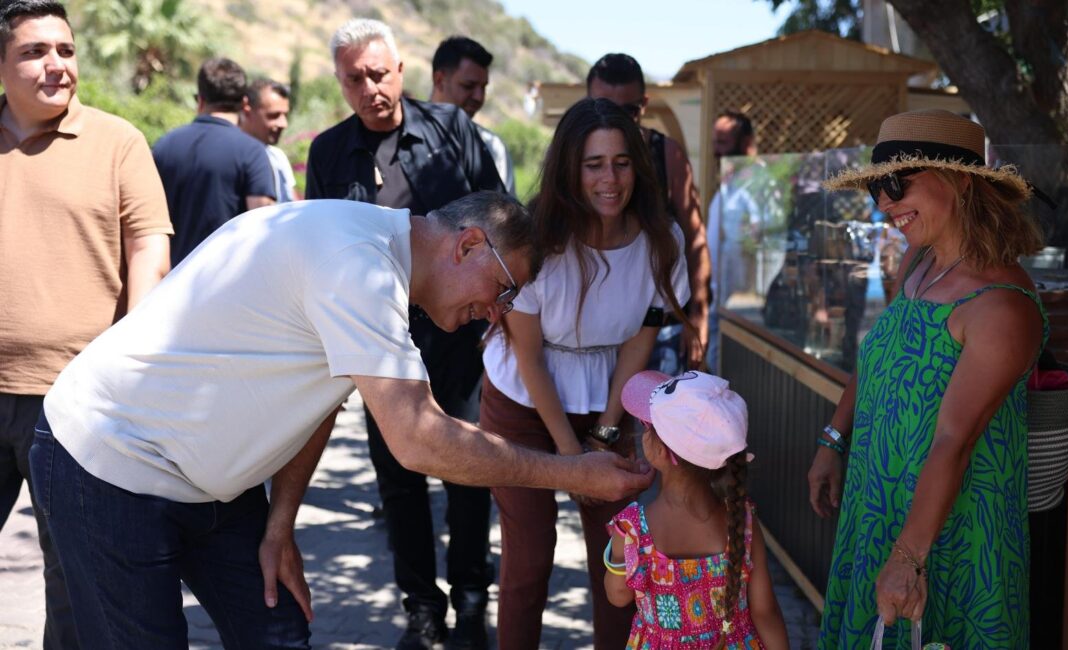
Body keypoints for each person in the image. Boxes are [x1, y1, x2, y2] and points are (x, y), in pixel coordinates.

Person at [30, 191, 654, 650]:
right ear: (468, 243)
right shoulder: (358, 263)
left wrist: (281, 523)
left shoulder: (381, 259)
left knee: (280, 636)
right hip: (109, 462)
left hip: (205, 482)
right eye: (503, 288)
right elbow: (419, 441)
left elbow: (324, 393)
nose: (496, 313)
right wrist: (576, 474)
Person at [808, 109, 1047, 648]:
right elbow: (877, 355)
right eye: (876, 188)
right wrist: (833, 439)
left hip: (948, 535)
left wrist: (907, 559)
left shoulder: (1001, 306)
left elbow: (954, 441)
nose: (885, 204)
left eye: (896, 184)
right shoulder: (919, 262)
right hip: (878, 507)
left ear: (960, 179)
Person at [306, 18, 506, 649]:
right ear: (341, 82)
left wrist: (497, 317)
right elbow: (318, 250)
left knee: (471, 470)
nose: (370, 87)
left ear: (400, 70)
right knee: (398, 479)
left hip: (461, 343)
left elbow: (499, 225)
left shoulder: (453, 131)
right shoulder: (329, 152)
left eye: (378, 73)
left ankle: (472, 601)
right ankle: (423, 610)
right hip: (381, 344)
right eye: (354, 78)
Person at [479, 97, 690, 650]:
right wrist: (570, 455)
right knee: (528, 562)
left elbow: (639, 343)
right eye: (593, 163)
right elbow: (527, 357)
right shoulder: (535, 242)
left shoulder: (660, 242)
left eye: (621, 162)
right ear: (570, 167)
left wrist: (603, 430)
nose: (609, 179)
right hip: (524, 403)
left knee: (618, 563)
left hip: (609, 399)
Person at [0, 1, 173, 647]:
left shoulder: (117, 141)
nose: (56, 65)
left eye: (66, 51)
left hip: (73, 400)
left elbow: (149, 250)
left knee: (75, 582)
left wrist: (129, 369)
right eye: (35, 52)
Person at [607, 369, 788, 649]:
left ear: (663, 452)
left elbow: (617, 595)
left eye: (648, 425)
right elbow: (766, 612)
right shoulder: (744, 522)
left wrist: (614, 554)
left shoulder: (632, 528)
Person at [586, 53, 710, 373]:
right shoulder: (573, 155)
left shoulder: (666, 153)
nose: (615, 118)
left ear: (643, 104)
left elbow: (694, 237)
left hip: (659, 326)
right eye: (604, 106)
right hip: (589, 333)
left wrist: (698, 314)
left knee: (657, 422)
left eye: (626, 110)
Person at [153, 56, 275, 266]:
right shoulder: (253, 153)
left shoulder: (163, 146)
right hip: (226, 286)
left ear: (200, 100)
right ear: (244, 103)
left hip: (170, 284)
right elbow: (263, 230)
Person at [706, 110, 761, 370]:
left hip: (743, 307)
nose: (716, 151)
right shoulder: (729, 185)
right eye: (715, 142)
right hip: (719, 302)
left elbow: (762, 243)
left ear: (747, 142)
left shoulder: (759, 185)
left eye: (723, 142)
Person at [431, 35, 515, 195]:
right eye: (468, 86)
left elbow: (504, 214)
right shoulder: (403, 135)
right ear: (440, 80)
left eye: (483, 88)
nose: (479, 97)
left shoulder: (491, 146)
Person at [240, 77, 297, 202]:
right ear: (247, 111)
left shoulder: (278, 157)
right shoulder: (235, 159)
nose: (283, 124)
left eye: (285, 115)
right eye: (273, 116)